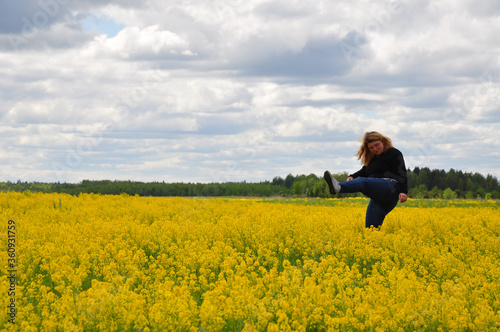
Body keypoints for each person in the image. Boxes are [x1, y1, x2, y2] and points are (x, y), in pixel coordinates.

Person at [324, 131, 408, 228]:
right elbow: (364, 171)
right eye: (371, 147)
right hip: (379, 197)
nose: (375, 149)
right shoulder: (372, 159)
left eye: (377, 145)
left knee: (363, 182)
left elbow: (402, 172)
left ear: (382, 141)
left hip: (391, 188)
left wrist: (403, 191)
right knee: (371, 229)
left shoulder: (393, 153)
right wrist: (353, 176)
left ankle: (339, 187)